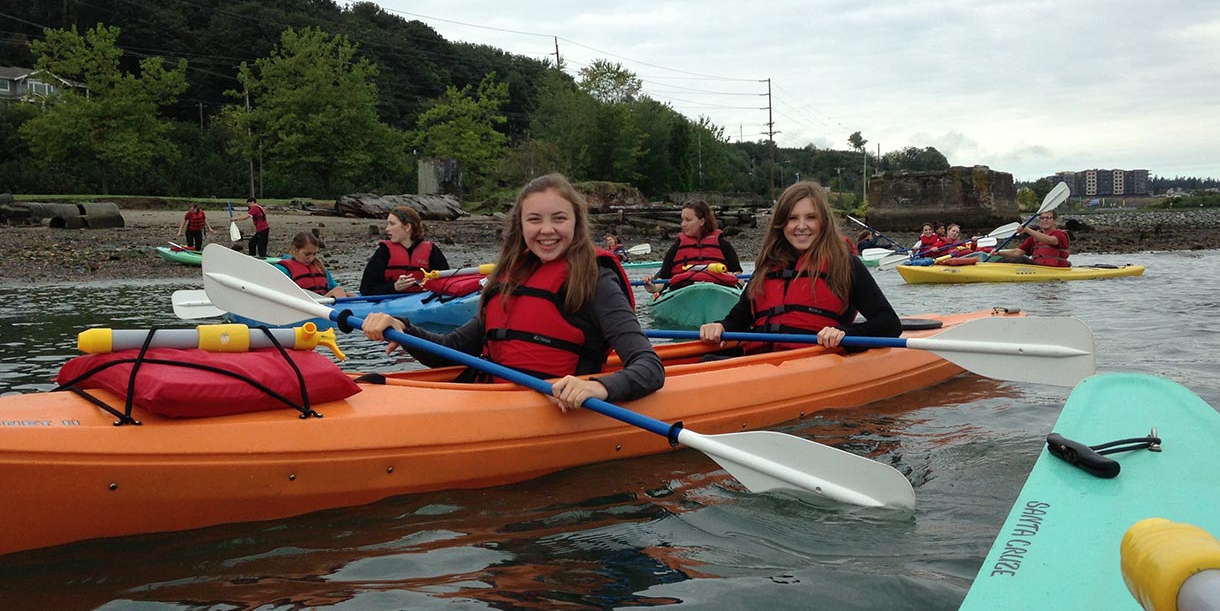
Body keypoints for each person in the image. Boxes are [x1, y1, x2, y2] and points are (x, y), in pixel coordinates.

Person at [360, 173, 664, 412]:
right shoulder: (509, 277)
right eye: (535, 219)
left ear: (576, 223)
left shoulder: (596, 280)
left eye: (559, 218)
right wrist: (402, 327)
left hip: (553, 408)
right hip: (491, 399)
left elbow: (649, 367)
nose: (547, 230)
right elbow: (451, 349)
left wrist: (599, 387)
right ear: (520, 225)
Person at [699, 181, 902, 354]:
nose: (801, 226)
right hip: (760, 360)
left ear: (823, 222)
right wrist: (720, 326)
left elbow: (888, 324)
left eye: (811, 217)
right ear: (781, 224)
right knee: (708, 360)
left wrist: (845, 333)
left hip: (813, 360)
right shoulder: (767, 266)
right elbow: (739, 320)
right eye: (792, 218)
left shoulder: (845, 264)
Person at [643, 200, 742, 294]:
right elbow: (663, 279)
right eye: (682, 220)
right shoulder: (677, 246)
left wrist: (735, 278)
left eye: (688, 220)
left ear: (702, 221)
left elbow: (740, 279)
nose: (683, 224)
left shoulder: (723, 244)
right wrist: (653, 288)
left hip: (719, 290)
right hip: (682, 290)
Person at [359, 206, 450, 296]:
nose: (387, 229)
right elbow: (366, 290)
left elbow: (447, 284)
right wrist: (394, 287)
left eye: (392, 224)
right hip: (391, 303)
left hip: (422, 301)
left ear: (407, 227)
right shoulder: (383, 252)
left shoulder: (432, 251)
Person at [274, 232, 352, 298]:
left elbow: (333, 287)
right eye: (307, 254)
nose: (311, 258)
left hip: (321, 304)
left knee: (346, 293)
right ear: (294, 249)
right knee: (338, 292)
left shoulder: (319, 267)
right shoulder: (282, 269)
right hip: (303, 304)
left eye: (314, 254)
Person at [993, 210, 1071, 266]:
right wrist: (999, 252)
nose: (1045, 220)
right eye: (1042, 218)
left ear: (1055, 221)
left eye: (1048, 218)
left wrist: (1027, 229)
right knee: (1003, 260)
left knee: (1022, 260)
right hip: (1037, 268)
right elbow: (1017, 252)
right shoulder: (1034, 238)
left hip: (1054, 269)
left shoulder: (1060, 234)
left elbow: (1051, 240)